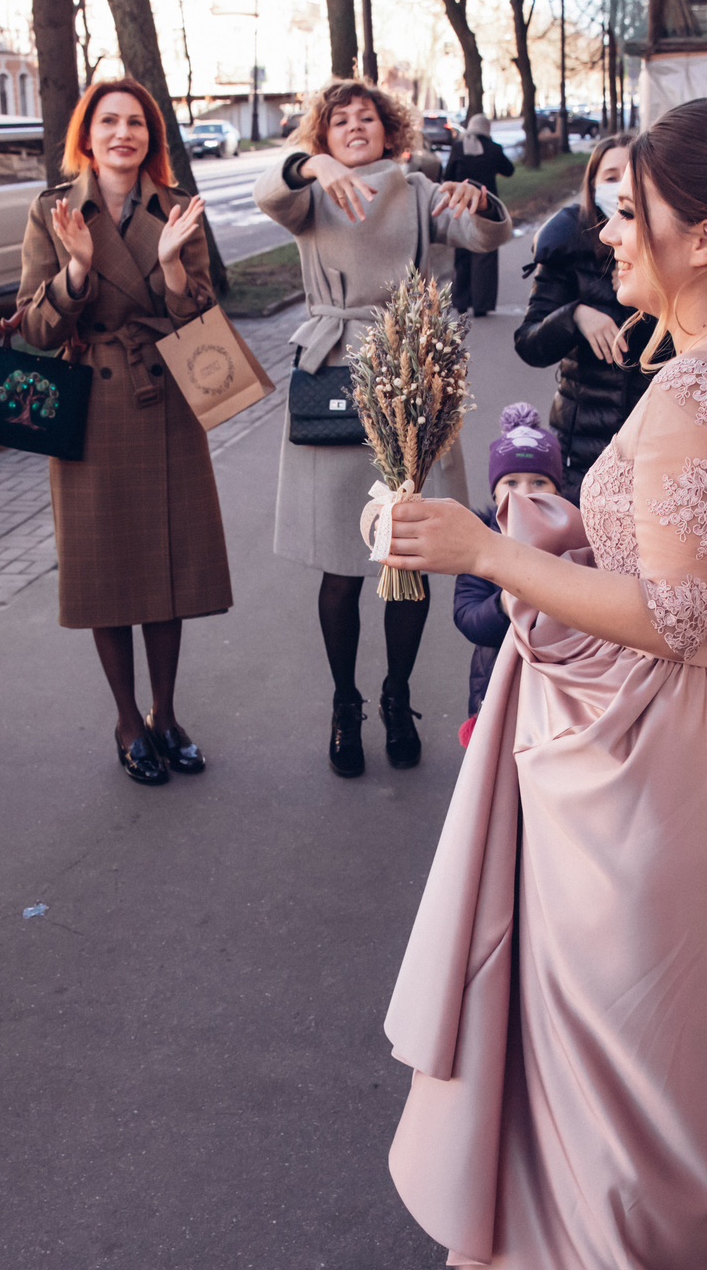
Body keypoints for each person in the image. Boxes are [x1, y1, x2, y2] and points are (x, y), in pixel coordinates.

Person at [377, 99, 707, 1270]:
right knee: (668, 1048)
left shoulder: (695, 385)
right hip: (697, 734)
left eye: (631, 212)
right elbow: (692, 565)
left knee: (627, 1056)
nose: (604, 230)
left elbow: (676, 610)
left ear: (701, 236)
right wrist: (569, 522)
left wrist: (487, 547)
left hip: (653, 751)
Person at [256, 78, 513, 777]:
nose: (354, 126)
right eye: (339, 121)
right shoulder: (310, 192)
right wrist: (315, 166)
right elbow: (268, 194)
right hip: (336, 369)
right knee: (340, 566)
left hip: (413, 370)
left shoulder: (420, 188)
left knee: (408, 556)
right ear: (324, 136)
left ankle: (397, 696)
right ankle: (347, 704)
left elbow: (487, 233)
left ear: (390, 128)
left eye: (366, 117)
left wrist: (478, 197)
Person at [15, 76, 231, 787]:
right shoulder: (51, 211)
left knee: (166, 568)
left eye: (136, 122)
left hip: (163, 399)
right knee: (106, 572)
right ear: (88, 133)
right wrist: (77, 269)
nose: (123, 134)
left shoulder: (178, 210)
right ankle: (127, 719)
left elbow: (200, 316)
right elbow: (36, 331)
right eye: (109, 121)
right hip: (92, 409)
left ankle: (166, 714)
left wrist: (170, 264)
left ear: (151, 137)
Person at [513, 131, 654, 495]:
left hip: (653, 445)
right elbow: (529, 345)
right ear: (591, 186)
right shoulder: (567, 243)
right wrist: (574, 316)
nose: (620, 184)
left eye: (629, 174)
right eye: (610, 176)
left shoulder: (666, 250)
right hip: (581, 452)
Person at [449, 404, 564, 747]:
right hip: (496, 682)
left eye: (539, 482)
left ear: (557, 490)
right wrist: (504, 601)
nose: (524, 492)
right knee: (500, 758)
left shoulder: (571, 540)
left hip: (557, 684)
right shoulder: (481, 544)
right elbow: (468, 617)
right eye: (511, 482)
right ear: (495, 493)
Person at [442, 114, 517, 317]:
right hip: (486, 207)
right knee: (485, 253)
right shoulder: (493, 149)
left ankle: (460, 301)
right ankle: (481, 304)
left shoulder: (458, 148)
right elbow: (509, 170)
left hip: (460, 206)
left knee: (462, 253)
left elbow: (447, 175)